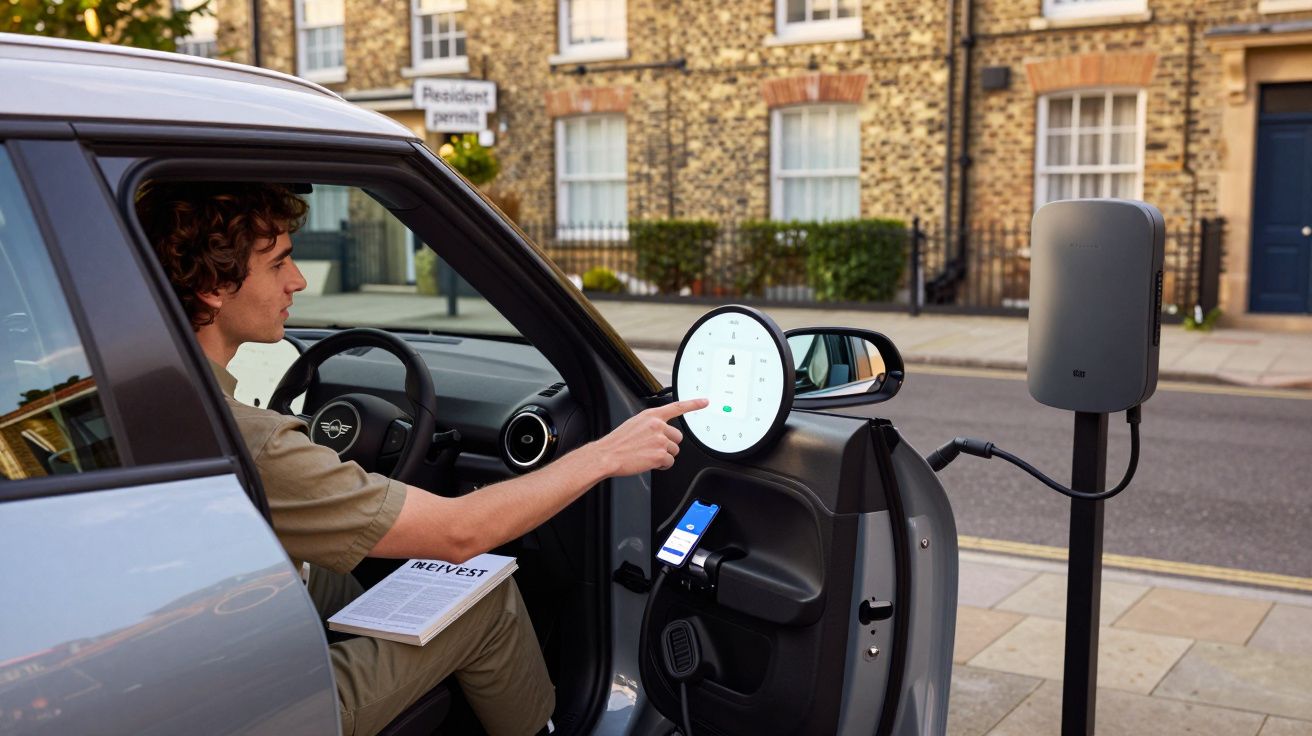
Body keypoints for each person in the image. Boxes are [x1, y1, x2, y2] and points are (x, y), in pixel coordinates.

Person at [135, 181, 707, 736]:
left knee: (331, 572)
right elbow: (458, 534)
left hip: (184, 657)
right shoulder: (250, 439)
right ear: (213, 285)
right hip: (262, 707)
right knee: (482, 597)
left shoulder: (145, 396)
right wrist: (607, 453)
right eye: (280, 262)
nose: (299, 280)